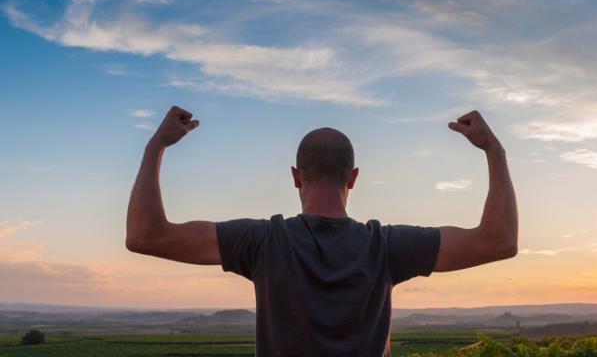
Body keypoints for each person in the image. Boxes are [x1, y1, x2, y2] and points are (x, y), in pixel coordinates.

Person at [126, 106, 518, 357]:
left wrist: (156, 146)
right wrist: (494, 151)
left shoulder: (261, 242)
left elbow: (145, 235)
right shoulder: (388, 247)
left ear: (296, 177)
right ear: (354, 178)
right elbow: (498, 241)